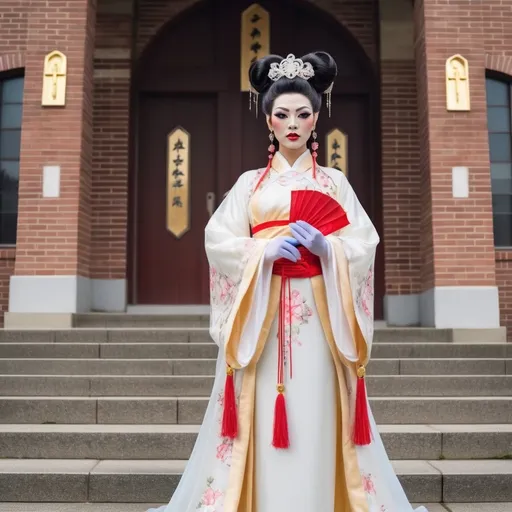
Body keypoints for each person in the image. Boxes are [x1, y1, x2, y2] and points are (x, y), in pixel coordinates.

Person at [148, 51, 428, 512]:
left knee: (316, 408)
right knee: (259, 406)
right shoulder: (249, 185)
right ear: (269, 122)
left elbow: (364, 243)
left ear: (317, 117)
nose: (292, 124)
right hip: (261, 314)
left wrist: (327, 248)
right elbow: (217, 240)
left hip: (319, 317)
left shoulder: (335, 184)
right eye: (282, 115)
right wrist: (260, 251)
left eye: (303, 114)